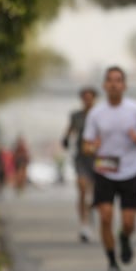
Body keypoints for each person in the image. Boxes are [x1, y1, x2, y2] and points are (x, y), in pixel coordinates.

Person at [82, 66, 136, 271]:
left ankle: (124, 238)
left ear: (124, 86)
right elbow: (86, 145)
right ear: (105, 85)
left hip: (131, 171)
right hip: (104, 170)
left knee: (129, 222)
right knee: (105, 217)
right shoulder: (96, 113)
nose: (114, 84)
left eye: (118, 80)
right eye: (110, 80)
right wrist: (93, 147)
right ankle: (112, 262)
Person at [61, 86, 98, 243]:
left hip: (99, 158)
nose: (87, 100)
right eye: (85, 98)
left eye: (90, 97)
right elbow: (69, 132)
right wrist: (66, 140)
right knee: (82, 188)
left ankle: (91, 215)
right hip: (82, 157)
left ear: (95, 99)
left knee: (96, 194)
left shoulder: (101, 115)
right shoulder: (76, 116)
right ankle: (84, 224)